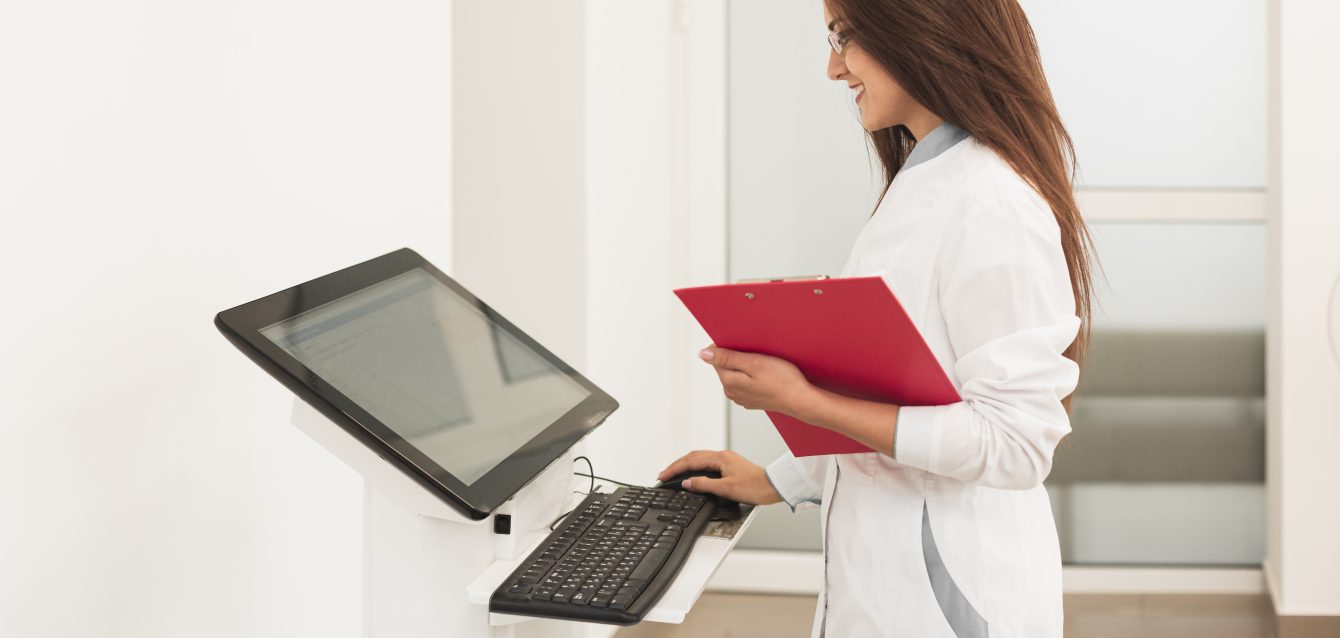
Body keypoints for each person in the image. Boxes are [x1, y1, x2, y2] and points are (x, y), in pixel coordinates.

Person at [657, 0, 1095, 635]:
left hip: (947, 601)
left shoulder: (991, 201)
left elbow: (1015, 444)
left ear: (920, 31)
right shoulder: (925, 180)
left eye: (844, 38)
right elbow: (904, 392)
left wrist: (804, 402)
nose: (834, 69)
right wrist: (777, 479)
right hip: (887, 584)